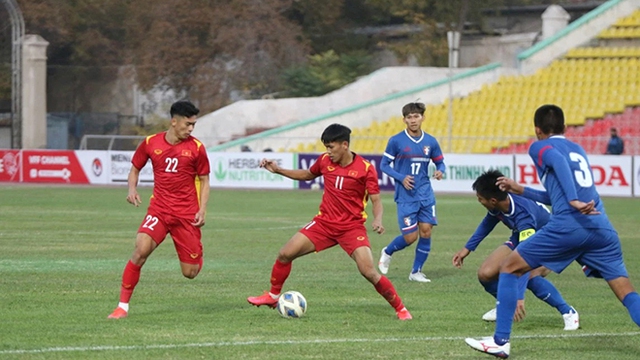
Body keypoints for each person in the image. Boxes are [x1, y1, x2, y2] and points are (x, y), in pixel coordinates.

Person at [465, 104, 640, 358]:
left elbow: (557, 163)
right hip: (601, 228)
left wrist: (572, 200)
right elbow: (554, 195)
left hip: (569, 224)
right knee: (627, 293)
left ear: (538, 130)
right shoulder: (578, 149)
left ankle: (500, 342)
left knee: (509, 267)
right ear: (565, 128)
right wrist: (520, 189)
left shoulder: (539, 146)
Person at [247, 123, 412, 320]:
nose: (328, 151)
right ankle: (273, 296)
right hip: (324, 224)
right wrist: (278, 170)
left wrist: (378, 219)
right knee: (285, 253)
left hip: (351, 228)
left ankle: (400, 308)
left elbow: (376, 200)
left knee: (368, 271)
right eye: (326, 147)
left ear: (344, 145)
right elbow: (308, 175)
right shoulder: (325, 161)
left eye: (331, 147)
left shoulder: (365, 169)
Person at [108, 100, 210, 319]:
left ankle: (196, 252)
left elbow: (204, 179)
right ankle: (122, 307)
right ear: (174, 121)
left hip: (186, 215)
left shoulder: (197, 148)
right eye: (188, 124)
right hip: (160, 210)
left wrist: (202, 210)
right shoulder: (150, 143)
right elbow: (135, 169)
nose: (191, 129)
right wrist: (132, 189)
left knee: (190, 273)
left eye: (194, 125)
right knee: (140, 250)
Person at [452, 170, 578, 329]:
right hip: (522, 235)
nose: (479, 201)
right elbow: (489, 221)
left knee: (529, 274)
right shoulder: (498, 204)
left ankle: (568, 312)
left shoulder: (523, 214)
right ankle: (504, 305)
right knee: (486, 273)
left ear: (492, 200)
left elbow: (527, 256)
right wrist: (467, 248)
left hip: (552, 240)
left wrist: (519, 297)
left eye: (480, 199)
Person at [377, 102, 445, 283]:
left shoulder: (430, 141)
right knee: (410, 237)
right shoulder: (396, 141)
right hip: (406, 197)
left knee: (426, 231)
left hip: (425, 194)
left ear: (423, 117)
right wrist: (401, 177)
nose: (413, 120)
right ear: (404, 120)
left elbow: (440, 162)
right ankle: (388, 251)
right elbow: (383, 165)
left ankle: (416, 272)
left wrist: (440, 170)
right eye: (409, 117)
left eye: (416, 116)